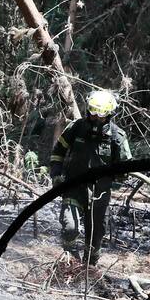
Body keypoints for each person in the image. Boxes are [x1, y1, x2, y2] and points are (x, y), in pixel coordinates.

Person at [50, 89, 131, 265]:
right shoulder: (76, 128)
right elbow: (58, 152)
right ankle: (70, 258)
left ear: (109, 114)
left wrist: (119, 174)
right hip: (73, 187)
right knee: (70, 227)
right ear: (87, 110)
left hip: (99, 193)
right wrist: (56, 175)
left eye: (101, 115)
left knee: (95, 235)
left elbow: (124, 170)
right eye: (93, 113)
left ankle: (90, 267)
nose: (96, 118)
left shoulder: (117, 137)